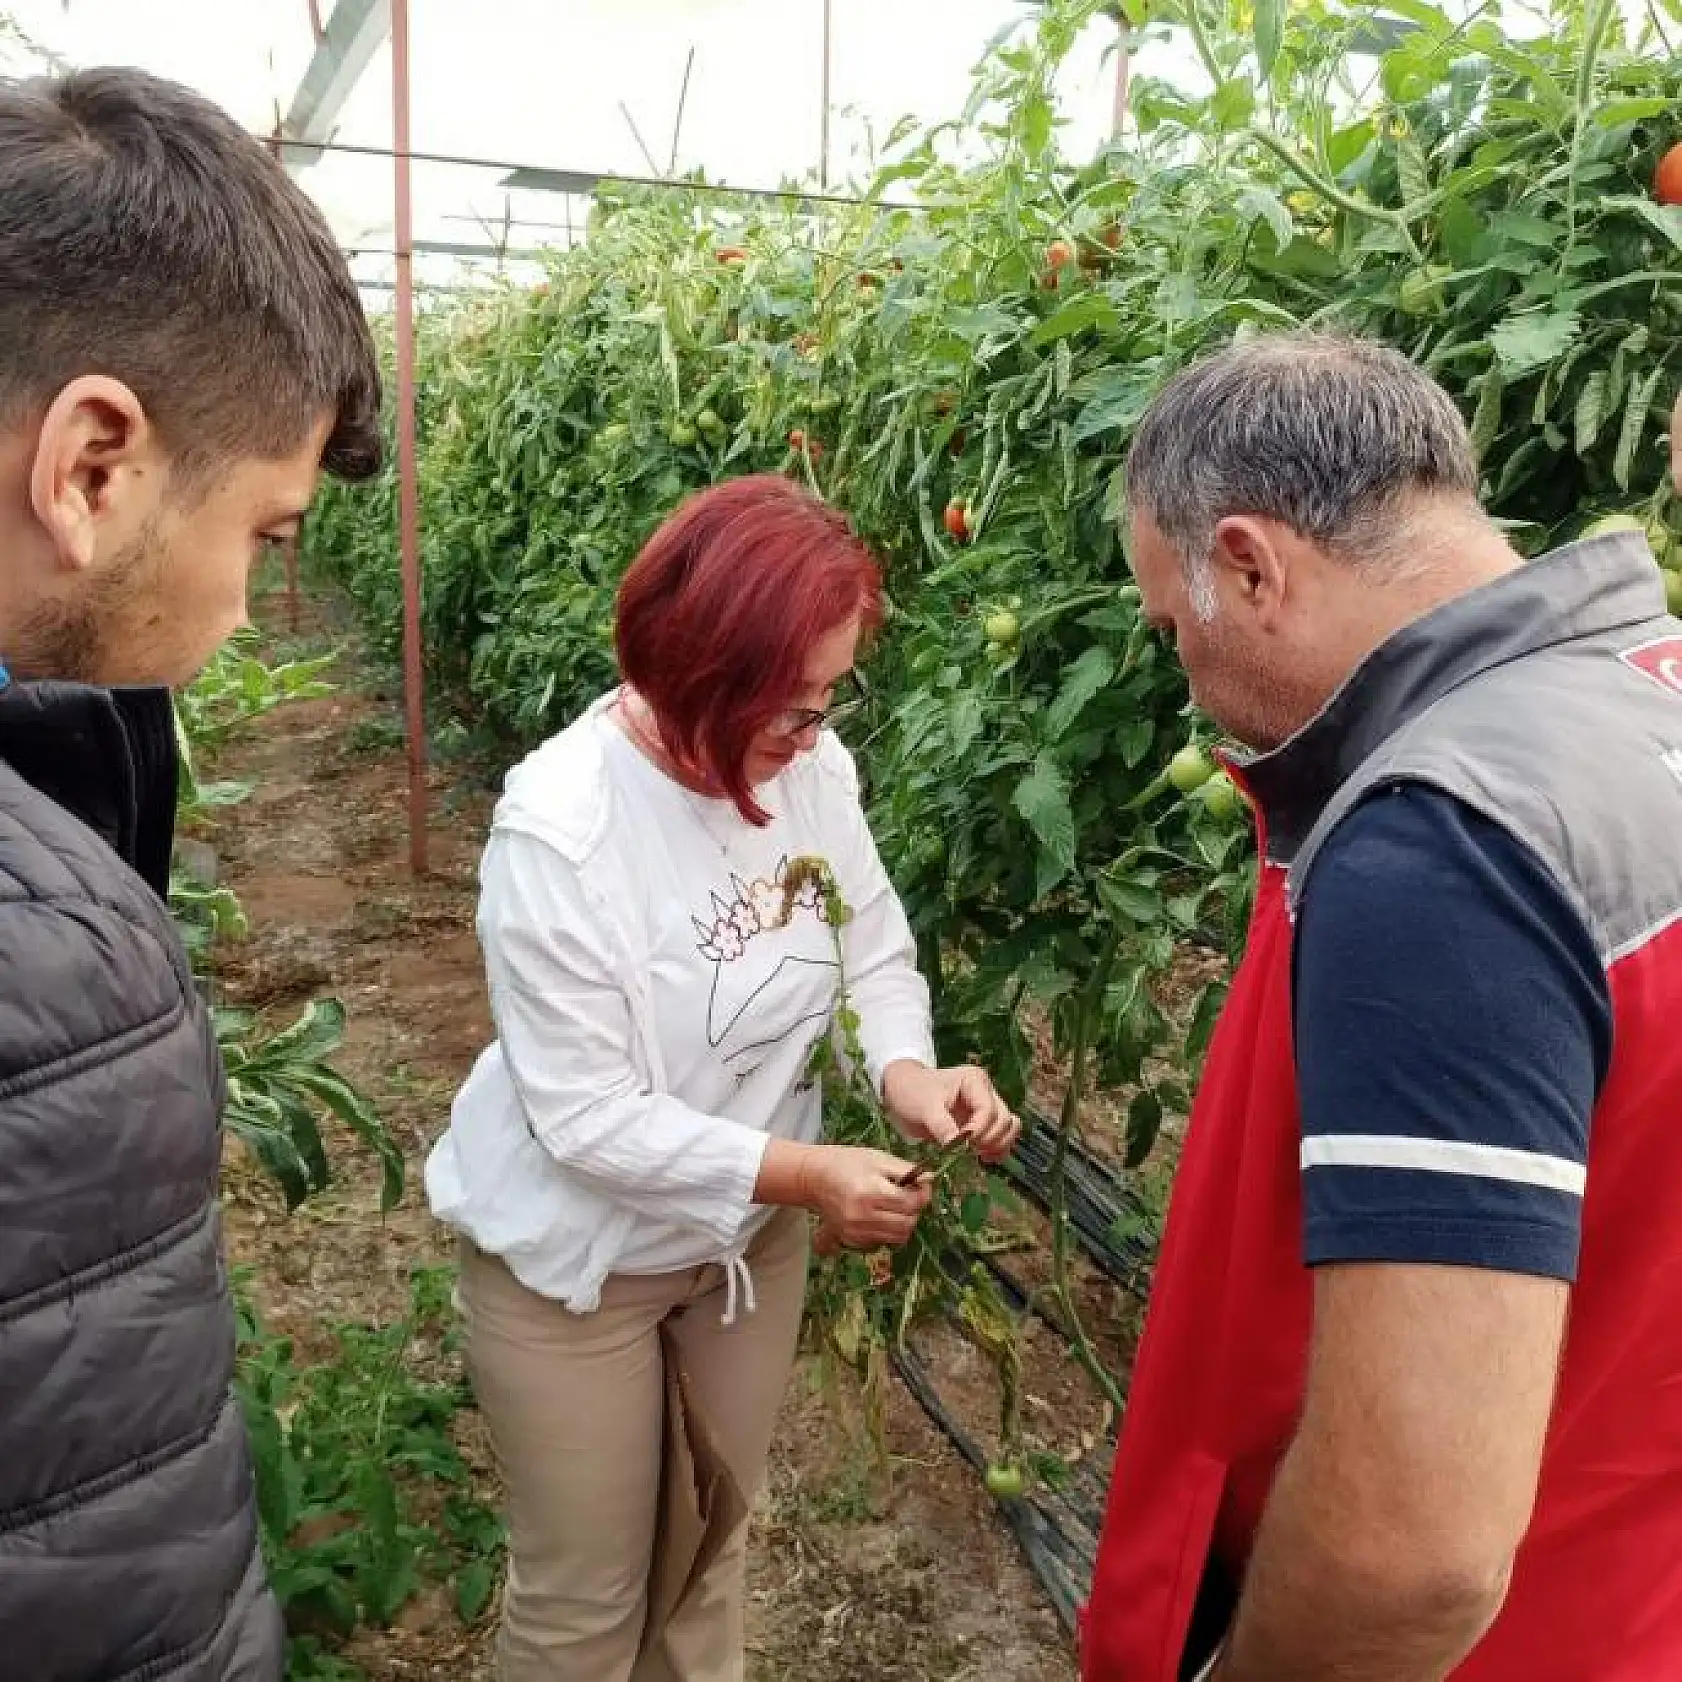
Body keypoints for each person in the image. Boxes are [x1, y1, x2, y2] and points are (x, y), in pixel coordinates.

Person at [1082, 333, 1682, 1682]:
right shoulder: (1645, 698)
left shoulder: (1445, 842)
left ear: (1250, 566)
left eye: (1175, 632)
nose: (1192, 685)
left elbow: (1407, 1553)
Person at [426, 472, 1021, 1682]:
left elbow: (867, 949)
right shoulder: (562, 829)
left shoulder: (811, 770)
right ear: (697, 674)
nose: (813, 731)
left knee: (706, 1560)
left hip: (742, 1241)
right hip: (579, 1264)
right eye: (789, 705)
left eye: (827, 697)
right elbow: (586, 1115)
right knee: (584, 1605)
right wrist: (807, 1172)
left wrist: (904, 1070)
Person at [0, 68, 381, 1682]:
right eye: (264, 536)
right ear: (95, 464)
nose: (240, 611)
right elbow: (102, 1577)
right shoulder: (47, 960)